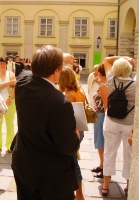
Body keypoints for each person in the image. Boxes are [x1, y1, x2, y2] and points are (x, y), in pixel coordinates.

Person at [12, 45, 80, 200]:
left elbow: (29, 72)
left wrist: (58, 58)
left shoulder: (22, 84)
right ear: (57, 71)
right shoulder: (60, 102)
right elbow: (69, 147)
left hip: (24, 164)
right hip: (50, 177)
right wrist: (75, 134)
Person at [101, 56, 136, 197]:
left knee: (109, 152)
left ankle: (105, 186)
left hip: (111, 121)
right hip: (129, 124)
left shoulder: (111, 79)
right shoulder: (136, 86)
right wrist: (132, 61)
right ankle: (128, 185)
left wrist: (122, 57)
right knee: (129, 155)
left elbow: (106, 60)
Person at [58, 66, 86, 200]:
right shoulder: (79, 90)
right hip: (80, 129)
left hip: (73, 131)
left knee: (73, 163)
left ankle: (79, 195)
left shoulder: (69, 95)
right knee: (72, 161)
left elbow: (68, 117)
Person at [0, 57, 16, 153]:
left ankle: (10, 145)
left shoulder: (11, 74)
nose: (2, 65)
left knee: (10, 125)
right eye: (0, 63)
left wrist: (10, 97)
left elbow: (14, 87)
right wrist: (9, 83)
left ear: (6, 65)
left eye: (4, 63)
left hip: (10, 101)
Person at [91, 63, 108, 178]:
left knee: (101, 144)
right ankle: (102, 165)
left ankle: (104, 168)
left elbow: (105, 104)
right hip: (100, 115)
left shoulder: (104, 85)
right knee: (101, 144)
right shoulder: (105, 83)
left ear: (100, 73)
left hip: (101, 116)